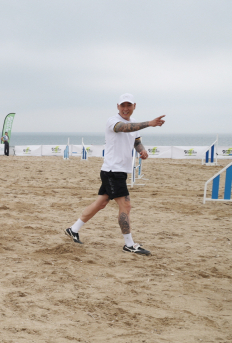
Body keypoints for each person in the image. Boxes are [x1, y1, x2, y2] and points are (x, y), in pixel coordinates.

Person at [65, 93, 165, 255]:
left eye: (129, 105)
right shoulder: (113, 121)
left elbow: (136, 141)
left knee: (101, 203)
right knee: (126, 205)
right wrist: (149, 123)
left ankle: (73, 229)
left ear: (134, 106)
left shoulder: (134, 124)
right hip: (113, 171)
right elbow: (123, 128)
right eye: (123, 105)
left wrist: (142, 150)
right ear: (118, 106)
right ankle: (129, 244)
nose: (126, 108)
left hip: (118, 171)